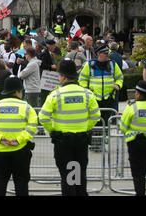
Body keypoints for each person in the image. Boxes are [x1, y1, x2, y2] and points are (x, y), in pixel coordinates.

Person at [39, 59, 100, 196]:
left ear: (64, 77)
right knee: (78, 174)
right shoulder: (86, 94)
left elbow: (43, 117)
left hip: (63, 141)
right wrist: (86, 126)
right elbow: (96, 115)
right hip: (81, 140)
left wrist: (52, 130)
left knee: (67, 176)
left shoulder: (56, 95)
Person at [0, 76, 37, 196]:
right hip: (20, 151)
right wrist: (19, 140)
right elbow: (32, 127)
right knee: (21, 183)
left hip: (0, 151)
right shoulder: (27, 108)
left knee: (0, 182)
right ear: (18, 91)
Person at [79, 45, 124, 151]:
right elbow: (82, 79)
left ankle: (102, 141)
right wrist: (86, 89)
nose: (108, 55)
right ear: (99, 54)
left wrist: (118, 85)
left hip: (108, 98)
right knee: (95, 122)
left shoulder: (113, 64)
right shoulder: (90, 65)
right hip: (94, 98)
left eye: (108, 53)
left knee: (106, 121)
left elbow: (119, 77)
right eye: (105, 54)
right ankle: (95, 143)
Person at [119, 80, 146, 196]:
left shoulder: (132, 108)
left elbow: (122, 127)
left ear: (138, 94)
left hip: (135, 144)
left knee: (138, 174)